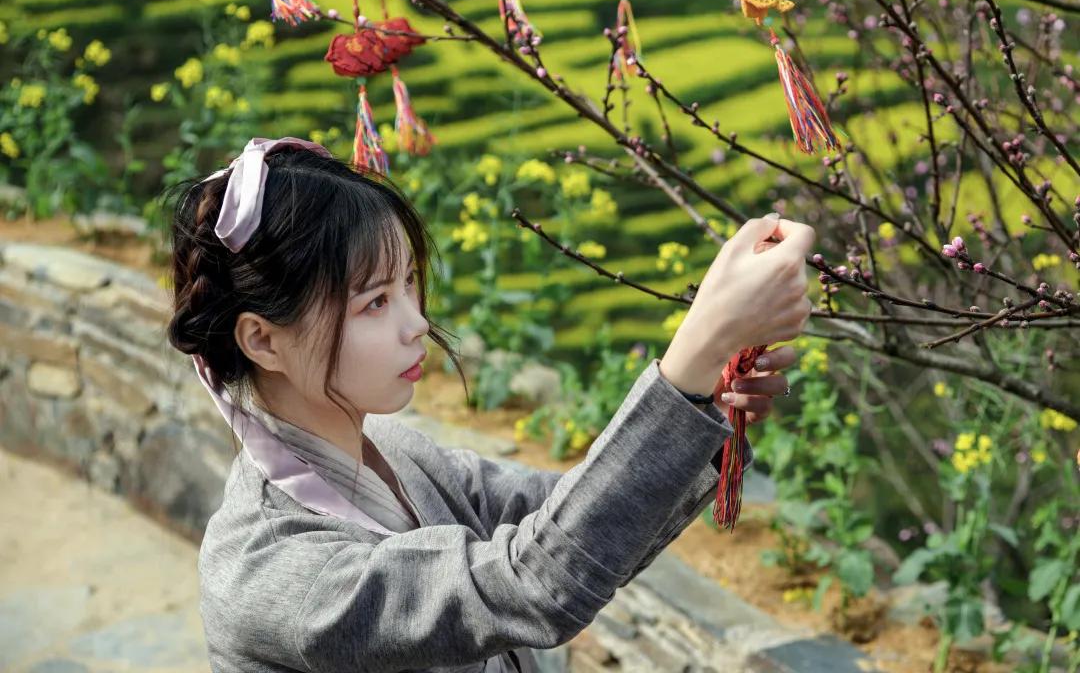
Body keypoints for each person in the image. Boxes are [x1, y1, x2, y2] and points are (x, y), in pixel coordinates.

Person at [165, 137, 815, 673]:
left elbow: (581, 527)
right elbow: (532, 584)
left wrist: (703, 395)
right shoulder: (271, 571)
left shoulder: (399, 454)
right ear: (262, 339)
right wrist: (693, 356)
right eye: (374, 302)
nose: (416, 323)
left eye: (409, 285)